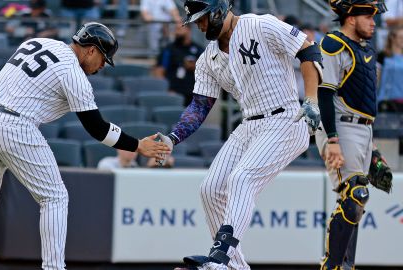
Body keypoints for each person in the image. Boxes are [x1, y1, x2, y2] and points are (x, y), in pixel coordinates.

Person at [0, 22, 170, 270]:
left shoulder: (37, 43)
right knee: (55, 197)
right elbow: (96, 128)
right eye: (103, 58)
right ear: (91, 50)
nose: (103, 65)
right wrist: (137, 145)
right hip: (13, 125)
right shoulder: (72, 71)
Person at [156, 0, 323, 269]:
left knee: (241, 179)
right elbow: (200, 105)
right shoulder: (207, 58)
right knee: (210, 189)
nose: (199, 25)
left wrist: (312, 99)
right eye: (195, 21)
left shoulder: (260, 24)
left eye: (202, 18)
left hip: (286, 119)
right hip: (249, 124)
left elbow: (308, 48)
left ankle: (220, 258)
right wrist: (173, 137)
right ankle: (234, 265)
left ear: (219, 10)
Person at [316, 1, 387, 269]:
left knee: (356, 199)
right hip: (340, 125)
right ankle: (332, 265)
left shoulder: (365, 49)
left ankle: (346, 264)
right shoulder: (334, 44)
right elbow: (325, 93)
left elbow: (364, 101)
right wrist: (332, 139)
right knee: (355, 194)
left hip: (363, 129)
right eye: (368, 16)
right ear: (350, 17)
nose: (373, 21)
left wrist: (373, 147)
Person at [154, 24, 204, 105]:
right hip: (173, 93)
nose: (176, 32)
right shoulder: (169, 49)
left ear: (188, 30)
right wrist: (166, 90)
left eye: (179, 29)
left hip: (193, 95)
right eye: (175, 29)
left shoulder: (199, 49)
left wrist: (194, 66)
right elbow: (159, 72)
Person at [378, 27, 403, 112]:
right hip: (387, 102)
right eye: (400, 37)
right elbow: (377, 79)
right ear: (392, 38)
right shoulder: (382, 56)